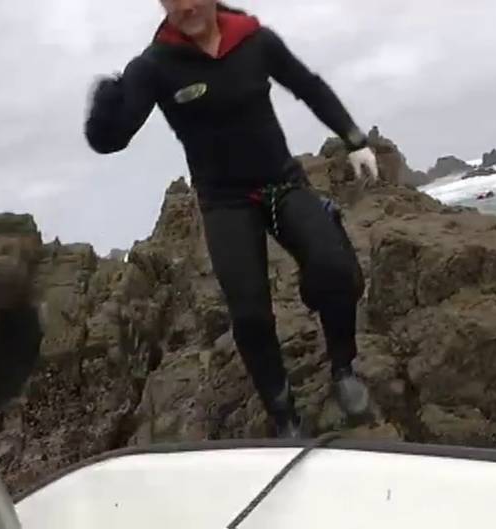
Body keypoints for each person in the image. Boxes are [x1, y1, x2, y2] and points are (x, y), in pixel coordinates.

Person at [84, 0, 378, 438]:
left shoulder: (254, 39)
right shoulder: (154, 65)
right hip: (225, 202)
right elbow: (113, 139)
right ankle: (284, 418)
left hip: (282, 182)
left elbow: (309, 86)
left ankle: (342, 369)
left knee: (334, 269)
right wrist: (105, 105)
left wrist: (354, 140)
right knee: (250, 313)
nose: (186, 5)